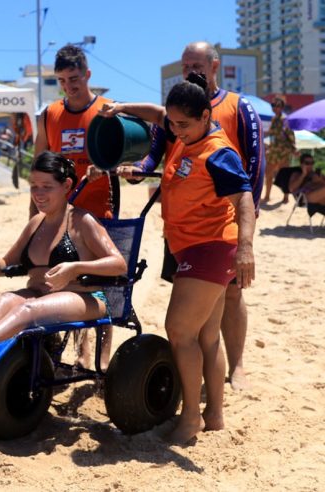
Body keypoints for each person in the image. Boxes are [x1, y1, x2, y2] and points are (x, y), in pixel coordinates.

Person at [104, 73, 256, 443]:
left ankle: (191, 419)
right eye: (173, 123)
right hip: (193, 246)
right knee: (205, 335)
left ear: (206, 115)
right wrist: (122, 108)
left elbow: (245, 198)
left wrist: (247, 249)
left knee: (179, 331)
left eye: (183, 123)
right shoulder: (185, 132)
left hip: (212, 247)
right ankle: (215, 415)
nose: (175, 129)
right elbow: (158, 115)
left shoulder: (218, 151)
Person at [0, 151, 127, 373]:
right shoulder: (36, 223)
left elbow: (119, 264)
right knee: (5, 299)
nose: (38, 193)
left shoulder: (82, 221)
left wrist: (76, 267)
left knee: (26, 309)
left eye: (46, 186)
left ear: (66, 185)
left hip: (86, 297)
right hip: (39, 294)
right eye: (34, 186)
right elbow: (5, 263)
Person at [33, 43, 119, 369]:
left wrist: (108, 167)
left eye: (74, 78)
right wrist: (34, 218)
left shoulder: (108, 110)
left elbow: (130, 158)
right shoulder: (51, 114)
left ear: (87, 74)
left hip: (99, 215)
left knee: (101, 288)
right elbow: (39, 165)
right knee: (62, 284)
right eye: (62, 80)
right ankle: (75, 352)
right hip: (59, 218)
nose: (69, 85)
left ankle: (101, 355)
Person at [264, 96, 297, 204]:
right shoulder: (274, 119)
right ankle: (267, 196)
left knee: (284, 175)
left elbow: (291, 136)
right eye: (273, 105)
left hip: (283, 152)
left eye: (277, 105)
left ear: (282, 107)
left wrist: (294, 149)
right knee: (268, 174)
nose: (274, 107)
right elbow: (272, 135)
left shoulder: (284, 120)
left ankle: (286, 197)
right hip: (273, 151)